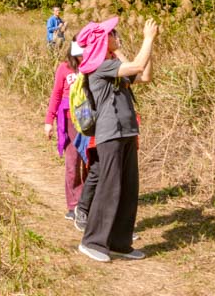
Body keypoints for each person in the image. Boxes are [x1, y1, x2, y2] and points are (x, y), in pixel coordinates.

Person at [76, 17, 158, 263]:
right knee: (110, 188)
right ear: (102, 40)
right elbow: (135, 67)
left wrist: (145, 47)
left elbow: (144, 76)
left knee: (128, 189)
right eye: (113, 33)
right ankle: (92, 241)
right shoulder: (99, 66)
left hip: (127, 132)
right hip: (110, 133)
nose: (117, 35)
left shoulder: (113, 62)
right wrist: (148, 38)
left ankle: (120, 243)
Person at [43, 40, 88, 220]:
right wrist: (49, 121)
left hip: (89, 118)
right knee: (72, 161)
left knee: (89, 161)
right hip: (69, 118)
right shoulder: (64, 68)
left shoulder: (92, 66)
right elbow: (56, 94)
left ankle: (86, 202)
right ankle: (73, 204)